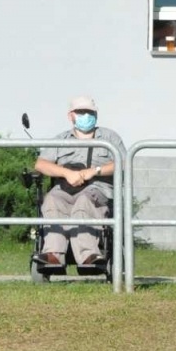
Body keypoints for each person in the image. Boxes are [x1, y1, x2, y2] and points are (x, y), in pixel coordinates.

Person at [33, 95, 123, 268]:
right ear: (71, 116)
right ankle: (53, 254)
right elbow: (41, 164)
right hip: (66, 188)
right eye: (81, 112)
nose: (86, 116)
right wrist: (66, 173)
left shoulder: (109, 137)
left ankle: (89, 255)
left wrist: (95, 171)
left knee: (84, 202)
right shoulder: (61, 139)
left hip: (97, 188)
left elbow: (123, 163)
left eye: (90, 112)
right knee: (51, 199)